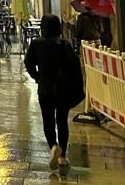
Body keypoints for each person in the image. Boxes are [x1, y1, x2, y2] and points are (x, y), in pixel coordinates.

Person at [24, 13, 84, 170]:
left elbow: (28, 64)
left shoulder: (36, 44)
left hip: (45, 89)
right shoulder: (64, 44)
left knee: (48, 121)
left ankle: (53, 146)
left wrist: (37, 77)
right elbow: (74, 67)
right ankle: (63, 156)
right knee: (62, 121)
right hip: (62, 90)